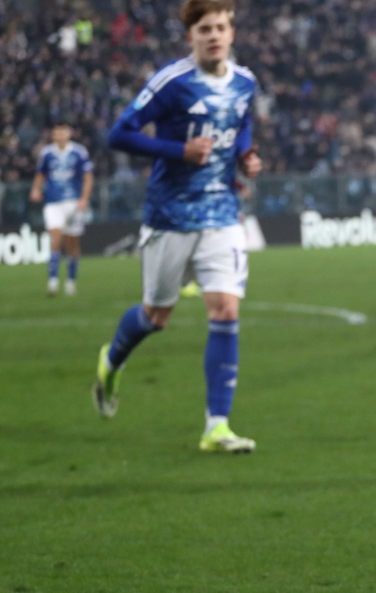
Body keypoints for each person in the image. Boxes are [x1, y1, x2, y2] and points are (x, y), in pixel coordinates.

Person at [94, 0, 261, 454]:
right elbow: (119, 133)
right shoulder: (172, 82)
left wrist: (245, 157)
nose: (213, 35)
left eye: (221, 27)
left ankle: (216, 427)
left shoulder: (245, 82)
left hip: (222, 213)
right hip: (170, 216)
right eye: (204, 29)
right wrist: (177, 150)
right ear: (190, 36)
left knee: (226, 309)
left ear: (231, 31)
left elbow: (241, 124)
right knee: (156, 316)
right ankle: (111, 361)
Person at [30, 121, 93, 296]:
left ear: (69, 133)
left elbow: (88, 177)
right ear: (53, 134)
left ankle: (71, 281)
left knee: (72, 242)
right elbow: (40, 173)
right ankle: (53, 281)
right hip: (53, 202)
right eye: (57, 132)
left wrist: (83, 199)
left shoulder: (79, 152)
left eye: (63, 132)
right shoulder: (47, 153)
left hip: (73, 202)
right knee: (55, 238)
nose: (60, 135)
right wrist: (35, 189)